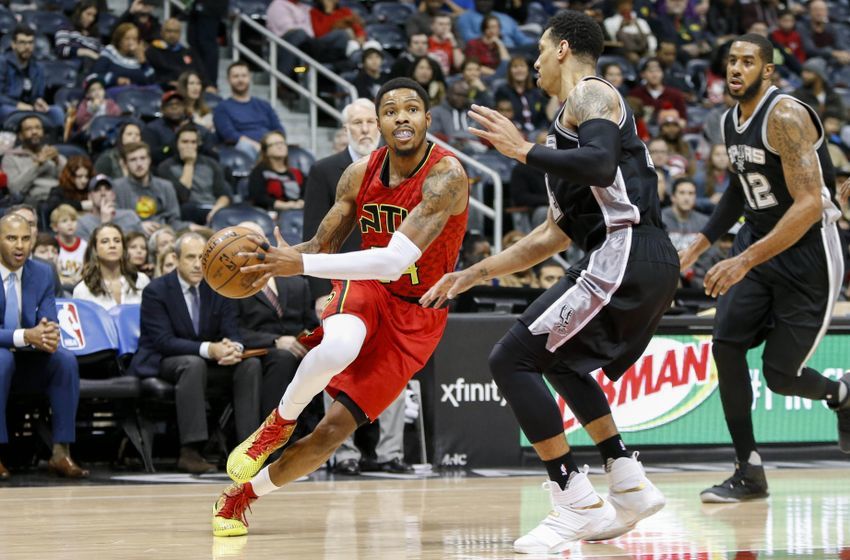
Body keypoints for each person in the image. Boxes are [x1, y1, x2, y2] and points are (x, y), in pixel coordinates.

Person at [421, 10, 677, 553]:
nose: (533, 61)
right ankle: (626, 481)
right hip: (640, 256)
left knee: (509, 360)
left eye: (538, 50)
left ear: (562, 48)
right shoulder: (568, 130)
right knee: (559, 361)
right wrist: (474, 272)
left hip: (626, 250)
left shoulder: (589, 94)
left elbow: (603, 164)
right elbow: (551, 236)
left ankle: (574, 499)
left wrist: (520, 151)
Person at [212, 77, 469, 537]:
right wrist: (275, 261)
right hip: (368, 288)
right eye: (390, 111)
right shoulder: (358, 174)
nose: (401, 117)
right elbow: (320, 245)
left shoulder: (446, 176)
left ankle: (240, 497)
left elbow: (395, 260)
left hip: (417, 315)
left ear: (428, 120)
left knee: (332, 433)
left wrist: (301, 262)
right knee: (337, 347)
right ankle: (279, 423)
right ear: (380, 123)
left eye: (412, 109)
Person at [678, 33, 850, 503]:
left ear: (768, 70)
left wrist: (741, 259)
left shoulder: (787, 116)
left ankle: (841, 394)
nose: (736, 69)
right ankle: (748, 469)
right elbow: (739, 187)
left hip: (807, 254)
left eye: (748, 62)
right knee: (725, 344)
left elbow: (811, 204)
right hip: (757, 246)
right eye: (731, 61)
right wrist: (700, 243)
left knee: (781, 376)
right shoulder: (730, 120)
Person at [130, 233, 263, 474]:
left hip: (206, 362)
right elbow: (163, 341)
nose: (196, 264)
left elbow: (233, 331)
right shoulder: (156, 291)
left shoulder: (219, 287)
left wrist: (234, 348)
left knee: (249, 365)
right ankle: (190, 450)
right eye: (190, 257)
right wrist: (210, 350)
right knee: (192, 364)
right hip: (164, 361)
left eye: (202, 258)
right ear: (175, 258)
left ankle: (248, 448)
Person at [0, 214, 87, 480]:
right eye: (11, 238)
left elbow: (48, 321)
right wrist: (27, 335)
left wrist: (48, 335)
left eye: (26, 239)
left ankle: (61, 452)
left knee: (64, 360)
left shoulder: (42, 271)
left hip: (26, 359)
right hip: (4, 357)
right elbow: (29, 335)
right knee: (1, 359)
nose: (20, 246)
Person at [232, 222, 320, 417]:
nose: (253, 245)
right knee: (282, 358)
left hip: (298, 350)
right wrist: (275, 341)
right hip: (258, 353)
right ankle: (271, 434)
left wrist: (304, 342)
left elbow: (310, 324)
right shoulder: (231, 288)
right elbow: (234, 331)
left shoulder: (297, 282)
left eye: (258, 239)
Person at [302, 98, 378, 314]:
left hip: (388, 279)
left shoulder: (398, 168)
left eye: (370, 122)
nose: (365, 129)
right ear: (346, 129)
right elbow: (313, 233)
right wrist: (320, 293)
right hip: (342, 281)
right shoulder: (323, 170)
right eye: (357, 122)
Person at [156, 124, 231, 225]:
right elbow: (182, 196)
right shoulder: (165, 167)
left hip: (211, 209)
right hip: (185, 213)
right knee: (187, 208)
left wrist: (216, 210)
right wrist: (189, 164)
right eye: (185, 142)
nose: (189, 146)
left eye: (193, 142)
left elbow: (224, 194)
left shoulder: (211, 164)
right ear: (176, 144)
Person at [112, 142, 194, 235]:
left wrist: (191, 227)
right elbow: (114, 218)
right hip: (131, 236)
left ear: (149, 160)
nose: (139, 164)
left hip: (163, 235)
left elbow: (174, 221)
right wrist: (138, 225)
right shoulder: (117, 187)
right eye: (133, 160)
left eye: (142, 158)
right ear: (126, 164)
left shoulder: (165, 186)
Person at [213, 62, 286, 160]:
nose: (240, 80)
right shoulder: (221, 107)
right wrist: (259, 146)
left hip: (268, 145)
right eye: (236, 76)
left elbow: (278, 129)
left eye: (244, 75)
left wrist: (272, 144)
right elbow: (230, 135)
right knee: (245, 146)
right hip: (241, 149)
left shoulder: (264, 105)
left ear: (249, 77)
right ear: (228, 80)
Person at [73, 223, 150, 310]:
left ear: (123, 248)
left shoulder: (141, 280)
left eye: (117, 241)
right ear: (95, 249)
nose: (112, 245)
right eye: (105, 241)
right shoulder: (82, 290)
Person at [0, 25, 64, 128]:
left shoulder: (38, 68)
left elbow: (37, 95)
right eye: (22, 42)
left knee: (56, 111)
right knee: (9, 111)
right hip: (9, 107)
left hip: (30, 108)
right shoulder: (2, 63)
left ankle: (56, 142)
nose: (27, 47)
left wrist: (38, 102)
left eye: (30, 42)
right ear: (13, 44)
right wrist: (17, 105)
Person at [3, 116, 66, 206]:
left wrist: (58, 161)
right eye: (29, 129)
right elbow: (14, 189)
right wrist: (37, 165)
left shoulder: (52, 153)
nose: (34, 132)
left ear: (43, 132)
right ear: (20, 135)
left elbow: (71, 182)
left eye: (38, 128)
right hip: (33, 202)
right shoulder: (10, 158)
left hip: (61, 198)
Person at [246, 131, 305, 213]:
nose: (280, 146)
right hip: (269, 215)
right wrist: (285, 206)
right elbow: (258, 197)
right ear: (266, 151)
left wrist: (302, 202)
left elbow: (307, 193)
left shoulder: (297, 173)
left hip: (298, 213)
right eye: (274, 144)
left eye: (282, 143)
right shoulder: (258, 172)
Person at [76, 174, 145, 241]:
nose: (103, 193)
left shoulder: (130, 216)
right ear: (90, 197)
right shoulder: (82, 224)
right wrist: (105, 224)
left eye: (107, 189)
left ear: (113, 195)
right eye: (97, 190)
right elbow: (88, 252)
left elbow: (143, 246)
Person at [91, 23, 156, 88]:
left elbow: (151, 82)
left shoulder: (140, 58)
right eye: (127, 39)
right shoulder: (110, 51)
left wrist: (143, 61)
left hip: (136, 94)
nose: (131, 42)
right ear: (119, 40)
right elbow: (94, 76)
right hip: (113, 93)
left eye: (134, 39)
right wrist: (116, 80)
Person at [146, 18, 206, 89]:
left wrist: (209, 85)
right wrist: (167, 82)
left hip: (187, 89)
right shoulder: (153, 50)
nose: (172, 35)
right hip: (161, 88)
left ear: (180, 33)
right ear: (161, 32)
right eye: (169, 31)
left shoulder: (188, 52)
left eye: (176, 32)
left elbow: (200, 73)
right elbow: (151, 74)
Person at [51, 204, 87, 288]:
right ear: (55, 227)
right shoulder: (51, 246)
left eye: (73, 220)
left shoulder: (85, 245)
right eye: (64, 221)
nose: (70, 224)